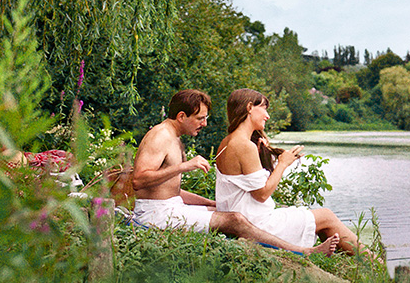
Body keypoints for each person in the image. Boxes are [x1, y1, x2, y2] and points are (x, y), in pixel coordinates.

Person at [131, 89, 339, 256]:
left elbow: (169, 190)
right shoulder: (160, 135)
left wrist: (210, 203)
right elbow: (138, 180)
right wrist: (184, 166)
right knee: (235, 220)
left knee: (224, 212)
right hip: (155, 214)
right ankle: (303, 251)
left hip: (169, 207)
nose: (204, 123)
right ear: (181, 116)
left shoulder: (174, 137)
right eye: (200, 118)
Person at [214, 88, 367, 256]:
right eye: (264, 108)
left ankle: (359, 261)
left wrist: (262, 152)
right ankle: (374, 264)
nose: (267, 115)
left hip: (244, 216)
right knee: (326, 216)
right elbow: (262, 194)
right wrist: (282, 164)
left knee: (311, 216)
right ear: (250, 107)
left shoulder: (227, 141)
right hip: (255, 224)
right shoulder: (243, 145)